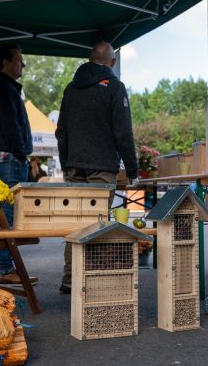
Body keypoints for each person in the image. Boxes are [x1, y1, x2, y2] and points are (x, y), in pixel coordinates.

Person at [55, 41, 138, 294]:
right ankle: (92, 281)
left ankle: (70, 279)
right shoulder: (114, 87)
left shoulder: (71, 88)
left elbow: (62, 132)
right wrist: (133, 171)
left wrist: (66, 164)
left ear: (90, 59)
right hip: (102, 168)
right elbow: (123, 133)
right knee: (99, 223)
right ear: (112, 63)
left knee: (77, 224)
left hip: (74, 167)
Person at [0, 42, 37, 286]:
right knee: (7, 214)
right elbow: (11, 125)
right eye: (19, 59)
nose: (22, 64)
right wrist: (22, 153)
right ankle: (4, 268)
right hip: (8, 159)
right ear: (5, 61)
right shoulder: (5, 88)